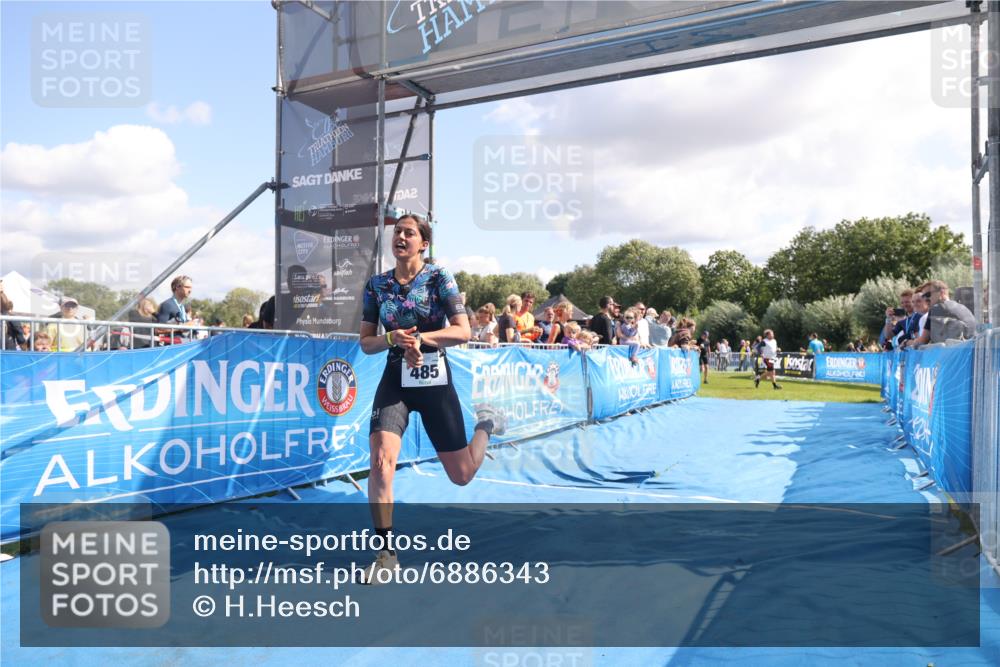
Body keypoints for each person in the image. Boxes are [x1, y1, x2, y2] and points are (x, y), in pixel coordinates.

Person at [359, 214, 506, 583]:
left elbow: (463, 330)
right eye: (397, 232)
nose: (401, 237)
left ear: (423, 243)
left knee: (461, 475)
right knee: (380, 462)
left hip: (434, 376)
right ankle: (385, 553)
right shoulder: (377, 285)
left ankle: (485, 424)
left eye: (409, 232)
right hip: (397, 377)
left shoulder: (440, 277)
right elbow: (366, 342)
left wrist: (420, 340)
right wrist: (394, 340)